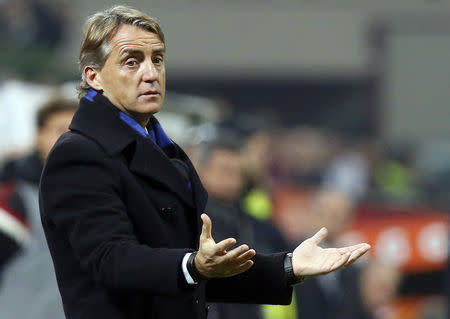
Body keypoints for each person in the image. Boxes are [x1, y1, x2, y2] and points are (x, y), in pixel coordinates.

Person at [39, 6, 371, 319]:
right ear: (94, 76)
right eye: (131, 61)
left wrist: (287, 266)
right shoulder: (80, 154)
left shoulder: (165, 151)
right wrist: (193, 266)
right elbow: (110, 260)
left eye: (158, 59)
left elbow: (204, 269)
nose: (151, 73)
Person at [195, 135, 292, 319]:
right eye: (225, 170)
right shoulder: (187, 220)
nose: (233, 180)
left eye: (238, 172)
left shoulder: (258, 226)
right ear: (201, 170)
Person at [0, 97, 76, 318]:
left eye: (78, 131)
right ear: (39, 136)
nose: (69, 139)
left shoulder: (102, 199)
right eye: (60, 130)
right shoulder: (15, 200)